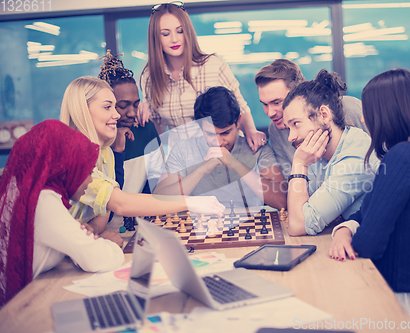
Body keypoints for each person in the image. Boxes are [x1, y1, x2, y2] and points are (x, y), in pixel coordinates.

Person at [329, 69, 410, 331]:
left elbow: (368, 245)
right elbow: (366, 213)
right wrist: (343, 230)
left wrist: (353, 234)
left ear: (388, 112)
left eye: (370, 110)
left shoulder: (404, 157)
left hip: (403, 308)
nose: (364, 118)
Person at [59, 76, 225, 238]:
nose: (117, 115)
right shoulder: (71, 155)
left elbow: (104, 210)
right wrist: (190, 202)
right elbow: (120, 203)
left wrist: (92, 228)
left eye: (116, 107)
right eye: (108, 107)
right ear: (82, 111)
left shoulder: (106, 152)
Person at [0, 120, 125, 308]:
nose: (90, 180)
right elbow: (100, 259)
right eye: (87, 171)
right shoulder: (43, 202)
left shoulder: (31, 195)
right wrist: (108, 243)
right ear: (64, 166)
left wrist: (80, 238)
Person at [139, 2, 266, 156]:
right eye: (165, 34)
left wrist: (251, 131)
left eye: (180, 31)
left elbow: (240, 106)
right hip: (187, 159)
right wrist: (140, 115)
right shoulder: (149, 77)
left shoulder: (213, 65)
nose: (174, 39)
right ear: (155, 37)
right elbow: (158, 129)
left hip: (226, 152)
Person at [156, 86, 286, 210]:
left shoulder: (257, 147)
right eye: (210, 134)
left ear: (238, 121)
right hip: (201, 229)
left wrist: (236, 165)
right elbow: (159, 200)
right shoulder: (183, 150)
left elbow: (283, 201)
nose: (218, 142)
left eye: (225, 133)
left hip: (249, 227)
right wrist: (201, 170)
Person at [282, 69, 378, 236]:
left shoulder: (356, 155)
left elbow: (298, 225)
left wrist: (299, 164)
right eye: (288, 128)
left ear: (324, 115)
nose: (291, 137)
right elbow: (304, 209)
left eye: (296, 124)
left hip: (376, 258)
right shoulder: (318, 153)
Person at [254, 59, 368, 183]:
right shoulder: (276, 130)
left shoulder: (350, 107)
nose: (270, 113)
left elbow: (382, 155)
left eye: (276, 102)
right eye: (264, 104)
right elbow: (293, 185)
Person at [98, 50, 166, 194]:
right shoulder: (94, 138)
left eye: (136, 104)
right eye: (123, 106)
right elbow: (107, 198)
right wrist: (117, 152)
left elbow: (157, 185)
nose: (132, 113)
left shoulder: (145, 129)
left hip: (141, 213)